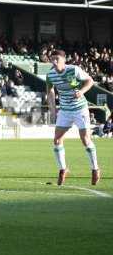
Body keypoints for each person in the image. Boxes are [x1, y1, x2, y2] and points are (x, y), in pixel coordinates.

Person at [46, 50, 100, 186]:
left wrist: (81, 92)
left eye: (57, 59)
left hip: (80, 109)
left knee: (85, 139)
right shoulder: (50, 75)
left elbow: (90, 81)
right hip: (65, 111)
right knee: (57, 139)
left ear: (64, 60)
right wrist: (53, 109)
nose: (54, 61)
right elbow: (50, 91)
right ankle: (63, 169)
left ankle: (95, 169)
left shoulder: (73, 70)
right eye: (52, 59)